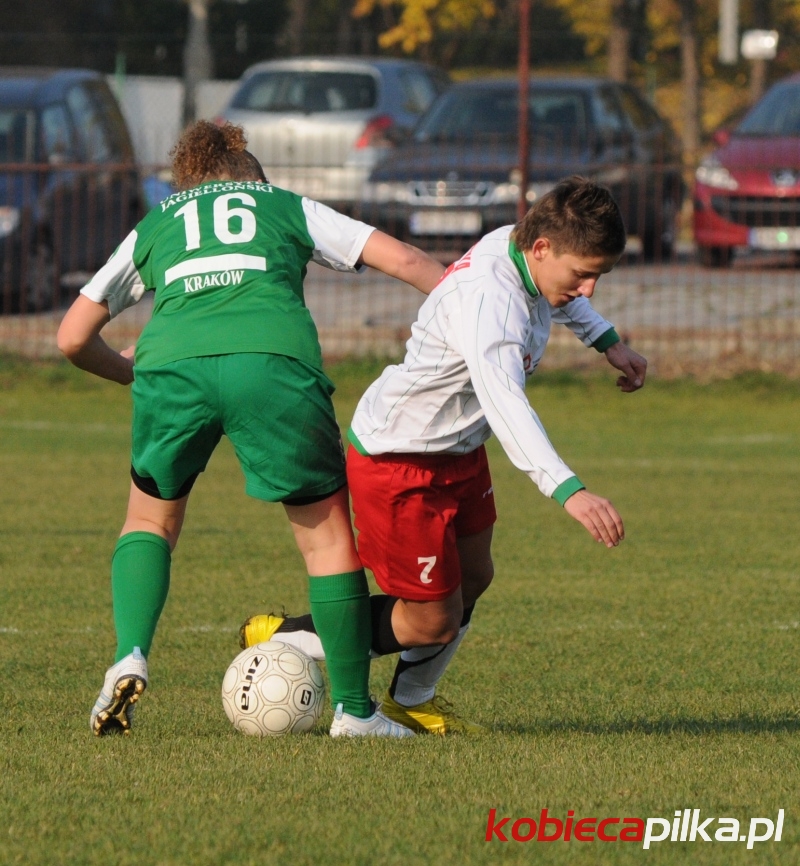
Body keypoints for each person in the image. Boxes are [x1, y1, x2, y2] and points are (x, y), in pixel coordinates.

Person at [57, 120, 446, 738]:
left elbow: (72, 337)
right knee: (326, 541)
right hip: (274, 363)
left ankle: (130, 654)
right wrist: (472, 309)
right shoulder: (282, 205)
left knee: (149, 520)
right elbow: (403, 259)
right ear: (253, 178)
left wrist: (133, 372)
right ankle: (353, 711)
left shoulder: (158, 222)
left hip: (172, 367)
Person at [240, 175, 648, 734]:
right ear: (542, 248)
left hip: (458, 450)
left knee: (475, 576)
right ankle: (290, 635)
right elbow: (505, 403)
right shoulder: (490, 301)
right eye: (583, 274)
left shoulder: (522, 249)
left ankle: (412, 699)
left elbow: (562, 297)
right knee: (432, 621)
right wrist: (568, 490)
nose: (589, 290)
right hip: (400, 460)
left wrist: (607, 341)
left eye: (598, 276)